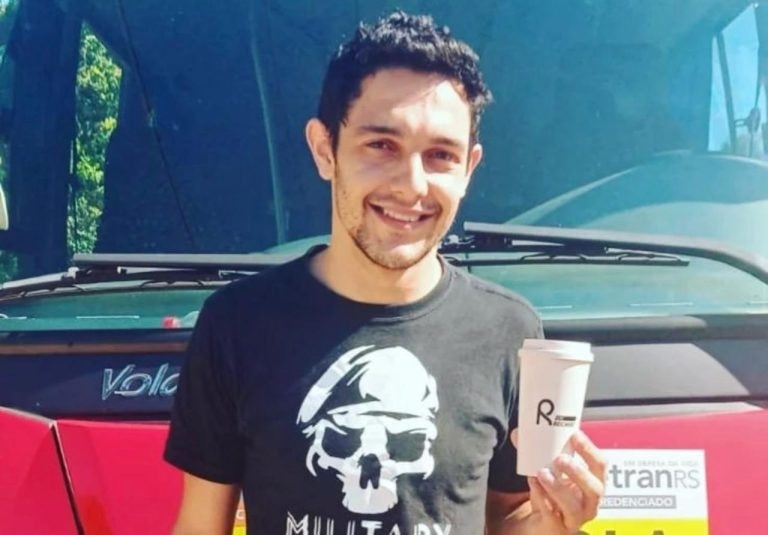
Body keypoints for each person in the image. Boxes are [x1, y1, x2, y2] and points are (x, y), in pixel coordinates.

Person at [165, 10, 606, 535]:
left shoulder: (510, 332)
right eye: (382, 145)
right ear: (325, 149)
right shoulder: (237, 326)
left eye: (440, 155)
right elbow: (201, 525)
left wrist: (556, 521)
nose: (411, 185)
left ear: (469, 169)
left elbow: (507, 515)